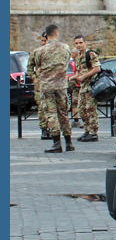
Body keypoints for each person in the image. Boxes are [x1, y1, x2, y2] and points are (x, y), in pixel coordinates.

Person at [37, 24, 74, 153]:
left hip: (47, 86)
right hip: (61, 86)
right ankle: (69, 143)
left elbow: (38, 65)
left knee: (51, 114)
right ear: (56, 33)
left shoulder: (40, 50)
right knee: (63, 114)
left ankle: (56, 143)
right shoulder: (66, 48)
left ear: (46, 35)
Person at [73, 35, 101, 142]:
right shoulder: (79, 56)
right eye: (76, 43)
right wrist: (72, 78)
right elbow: (78, 73)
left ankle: (93, 132)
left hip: (91, 86)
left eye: (80, 43)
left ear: (85, 42)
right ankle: (87, 129)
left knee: (90, 109)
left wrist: (84, 76)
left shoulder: (90, 54)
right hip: (83, 87)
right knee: (81, 109)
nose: (79, 45)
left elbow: (97, 68)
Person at [26, 32, 49, 139]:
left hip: (52, 84)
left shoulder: (56, 52)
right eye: (42, 40)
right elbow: (30, 67)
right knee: (42, 107)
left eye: (45, 40)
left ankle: (53, 129)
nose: (43, 43)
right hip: (40, 85)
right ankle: (44, 130)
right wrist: (35, 78)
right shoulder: (36, 52)